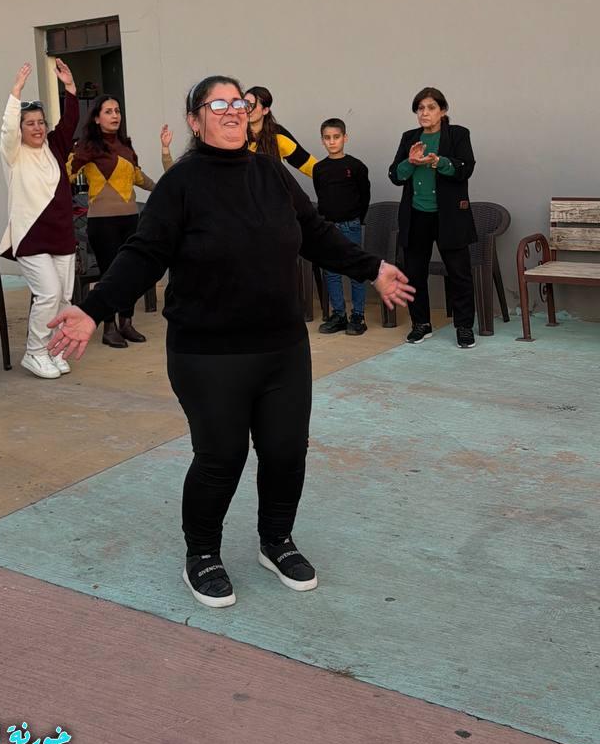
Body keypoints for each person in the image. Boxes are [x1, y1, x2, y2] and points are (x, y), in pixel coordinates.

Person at [47, 76, 414, 609]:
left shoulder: (271, 173)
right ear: (195, 121)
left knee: (286, 452)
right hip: (207, 352)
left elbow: (315, 233)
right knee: (222, 456)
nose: (232, 110)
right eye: (217, 103)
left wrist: (372, 268)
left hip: (282, 347)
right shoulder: (181, 183)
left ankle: (276, 540)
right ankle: (201, 553)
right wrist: (93, 308)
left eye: (238, 102)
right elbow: (144, 253)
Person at [0, 59, 79, 378]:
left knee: (64, 298)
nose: (36, 128)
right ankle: (34, 352)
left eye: (40, 122)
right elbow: (7, 130)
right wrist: (16, 92)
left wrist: (69, 87)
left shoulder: (54, 146)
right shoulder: (13, 153)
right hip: (31, 237)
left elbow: (70, 122)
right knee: (48, 294)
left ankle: (53, 350)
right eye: (29, 123)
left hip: (62, 235)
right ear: (20, 128)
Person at [388, 86, 477, 350]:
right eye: (420, 108)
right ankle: (421, 324)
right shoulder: (409, 137)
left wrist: (439, 162)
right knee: (414, 273)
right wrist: (411, 162)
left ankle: (464, 327)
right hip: (416, 216)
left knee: (459, 273)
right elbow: (395, 175)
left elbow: (466, 168)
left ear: (443, 110)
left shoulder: (458, 134)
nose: (424, 113)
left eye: (430, 107)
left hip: (449, 216)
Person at [68, 95, 155, 348]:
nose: (115, 115)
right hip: (102, 222)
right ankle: (109, 327)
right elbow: (67, 174)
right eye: (108, 111)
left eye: (117, 111)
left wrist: (162, 188)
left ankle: (126, 322)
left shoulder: (126, 146)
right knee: (109, 274)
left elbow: (138, 177)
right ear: (97, 118)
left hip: (130, 219)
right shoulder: (87, 147)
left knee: (130, 272)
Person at [314, 118, 371, 337]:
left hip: (351, 225)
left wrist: (356, 219)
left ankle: (358, 316)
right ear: (322, 140)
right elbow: (321, 196)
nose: (332, 141)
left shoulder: (356, 166)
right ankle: (338, 314)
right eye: (327, 138)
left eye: (336, 137)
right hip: (328, 228)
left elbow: (364, 196)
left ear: (345, 138)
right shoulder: (319, 168)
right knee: (331, 272)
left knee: (356, 271)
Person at [245, 86, 318, 176]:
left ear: (265, 110)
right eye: (244, 104)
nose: (247, 109)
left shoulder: (278, 136)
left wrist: (332, 178)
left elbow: (308, 164)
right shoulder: (234, 133)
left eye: (252, 105)